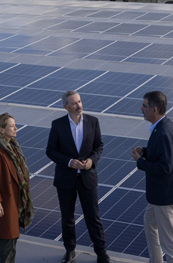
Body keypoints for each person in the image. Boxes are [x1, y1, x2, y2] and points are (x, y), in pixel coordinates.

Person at [46, 90, 110, 263]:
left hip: (87, 178)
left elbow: (99, 146)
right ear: (65, 106)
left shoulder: (93, 122)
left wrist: (91, 161)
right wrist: (68, 162)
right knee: (67, 217)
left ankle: (102, 253)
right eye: (74, 103)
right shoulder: (58, 125)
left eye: (79, 101)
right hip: (66, 179)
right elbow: (50, 150)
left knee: (93, 217)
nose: (78, 105)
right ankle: (70, 250)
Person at [131, 91, 173, 263]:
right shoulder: (164, 125)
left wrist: (140, 162)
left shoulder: (163, 132)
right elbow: (163, 154)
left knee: (169, 243)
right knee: (150, 225)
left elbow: (165, 167)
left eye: (144, 105)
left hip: (164, 195)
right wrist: (146, 151)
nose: (141, 109)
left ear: (154, 109)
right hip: (158, 195)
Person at [0, 113, 34, 263]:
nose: (15, 128)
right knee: (7, 239)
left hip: (15, 201)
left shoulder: (13, 147)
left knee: (12, 238)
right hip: (5, 203)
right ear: (1, 130)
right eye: (11, 126)